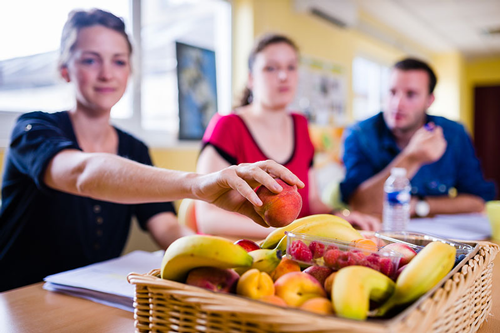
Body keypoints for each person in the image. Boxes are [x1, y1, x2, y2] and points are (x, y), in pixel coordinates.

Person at [0, 9, 305, 292]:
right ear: (64, 69)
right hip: (18, 295)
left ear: (130, 71)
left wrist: (225, 260)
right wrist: (196, 185)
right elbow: (83, 173)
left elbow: (166, 226)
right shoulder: (32, 129)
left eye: (119, 61)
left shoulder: (135, 148)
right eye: (90, 60)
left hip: (91, 298)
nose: (107, 73)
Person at [196, 34, 380, 238]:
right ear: (251, 79)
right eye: (271, 68)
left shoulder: (300, 125)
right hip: (240, 253)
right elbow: (208, 219)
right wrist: (291, 233)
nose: (283, 76)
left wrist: (340, 217)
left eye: (291, 67)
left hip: (294, 250)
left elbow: (312, 202)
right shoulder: (227, 126)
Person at [340, 58, 496, 217]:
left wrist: (421, 206)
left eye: (411, 94)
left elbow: (477, 200)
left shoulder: (454, 134)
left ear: (429, 100)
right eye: (392, 92)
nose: (397, 104)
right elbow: (359, 206)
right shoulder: (359, 134)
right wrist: (411, 158)